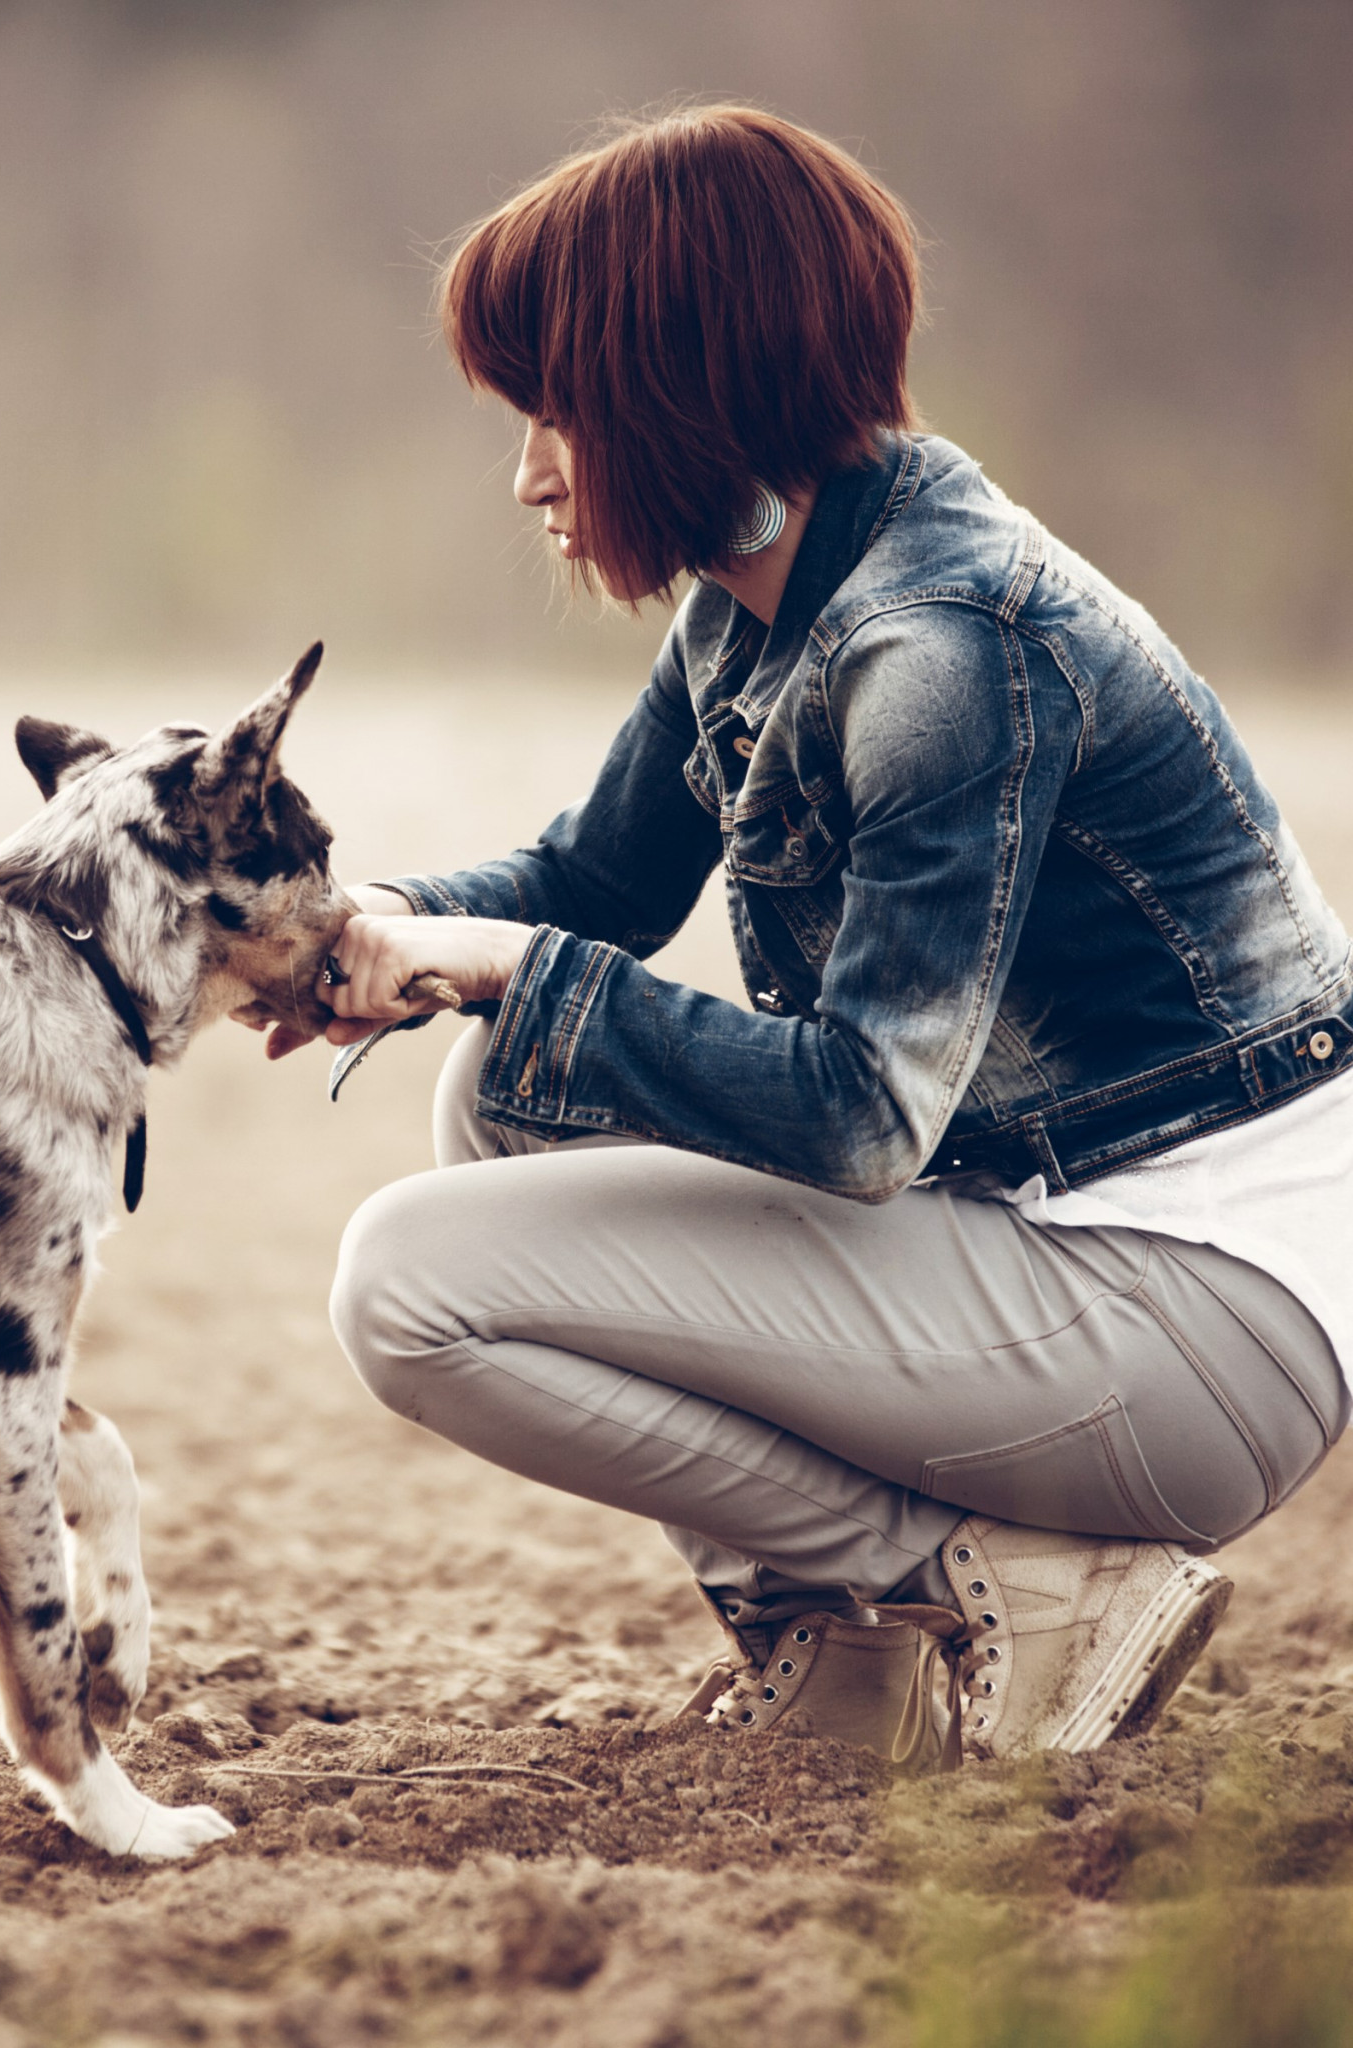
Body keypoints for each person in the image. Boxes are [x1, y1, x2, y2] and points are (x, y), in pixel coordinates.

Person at [317, 106, 1352, 1766]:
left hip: (1192, 1316)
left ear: (684, 385)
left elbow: (864, 1118)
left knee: (405, 1287)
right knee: (502, 1105)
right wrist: (360, 931)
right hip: (1041, 1242)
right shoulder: (772, 591)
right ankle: (854, 1677)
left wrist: (515, 972)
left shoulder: (943, 644)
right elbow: (593, 885)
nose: (529, 475)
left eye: (555, 413)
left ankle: (961, 1582)